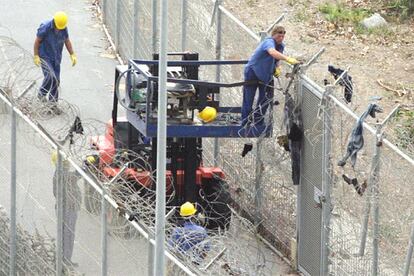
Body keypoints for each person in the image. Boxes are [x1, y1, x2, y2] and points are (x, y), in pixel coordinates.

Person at [241, 25, 299, 126]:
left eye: (282, 37)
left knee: (265, 99)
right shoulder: (268, 42)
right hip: (253, 72)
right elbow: (272, 52)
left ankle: (258, 121)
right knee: (248, 98)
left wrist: (277, 68)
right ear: (273, 35)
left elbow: (276, 59)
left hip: (265, 75)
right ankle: (245, 122)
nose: (280, 38)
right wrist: (288, 59)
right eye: (278, 36)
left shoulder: (281, 46)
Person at [34, 11, 77, 106]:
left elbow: (67, 41)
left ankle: (52, 103)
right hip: (45, 56)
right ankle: (42, 94)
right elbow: (37, 41)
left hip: (56, 56)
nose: (59, 29)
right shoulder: (45, 27)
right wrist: (36, 55)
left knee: (56, 80)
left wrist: (72, 54)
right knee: (50, 76)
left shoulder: (63, 28)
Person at [51, 151, 82, 267]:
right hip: (67, 209)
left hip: (67, 208)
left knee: (66, 235)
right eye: (66, 161)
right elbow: (75, 176)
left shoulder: (60, 173)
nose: (68, 163)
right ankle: (64, 261)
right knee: (67, 235)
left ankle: (64, 259)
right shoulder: (61, 174)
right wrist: (86, 166)